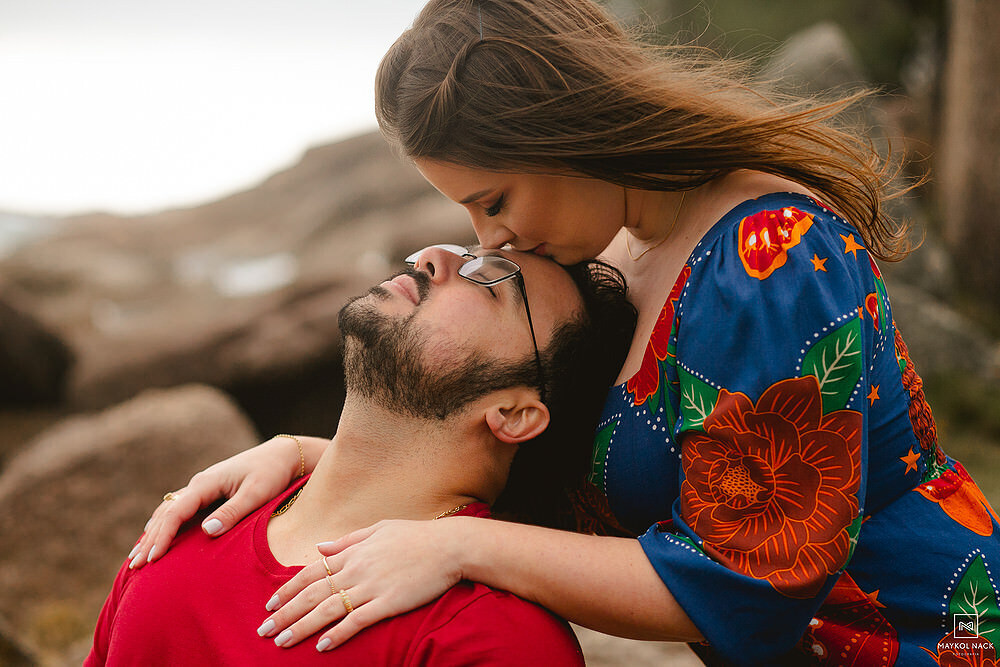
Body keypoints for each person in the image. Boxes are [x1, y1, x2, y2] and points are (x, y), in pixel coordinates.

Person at [129, 0, 1000, 664]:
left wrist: (457, 543)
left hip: (937, 637)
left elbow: (747, 584)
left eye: (492, 199)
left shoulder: (764, 252)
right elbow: (532, 443)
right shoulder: (620, 243)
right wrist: (309, 451)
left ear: (567, 131)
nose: (488, 241)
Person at [87, 246, 637, 665]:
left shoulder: (492, 634)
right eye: (462, 247)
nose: (432, 257)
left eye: (494, 283)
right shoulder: (199, 516)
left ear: (515, 414)